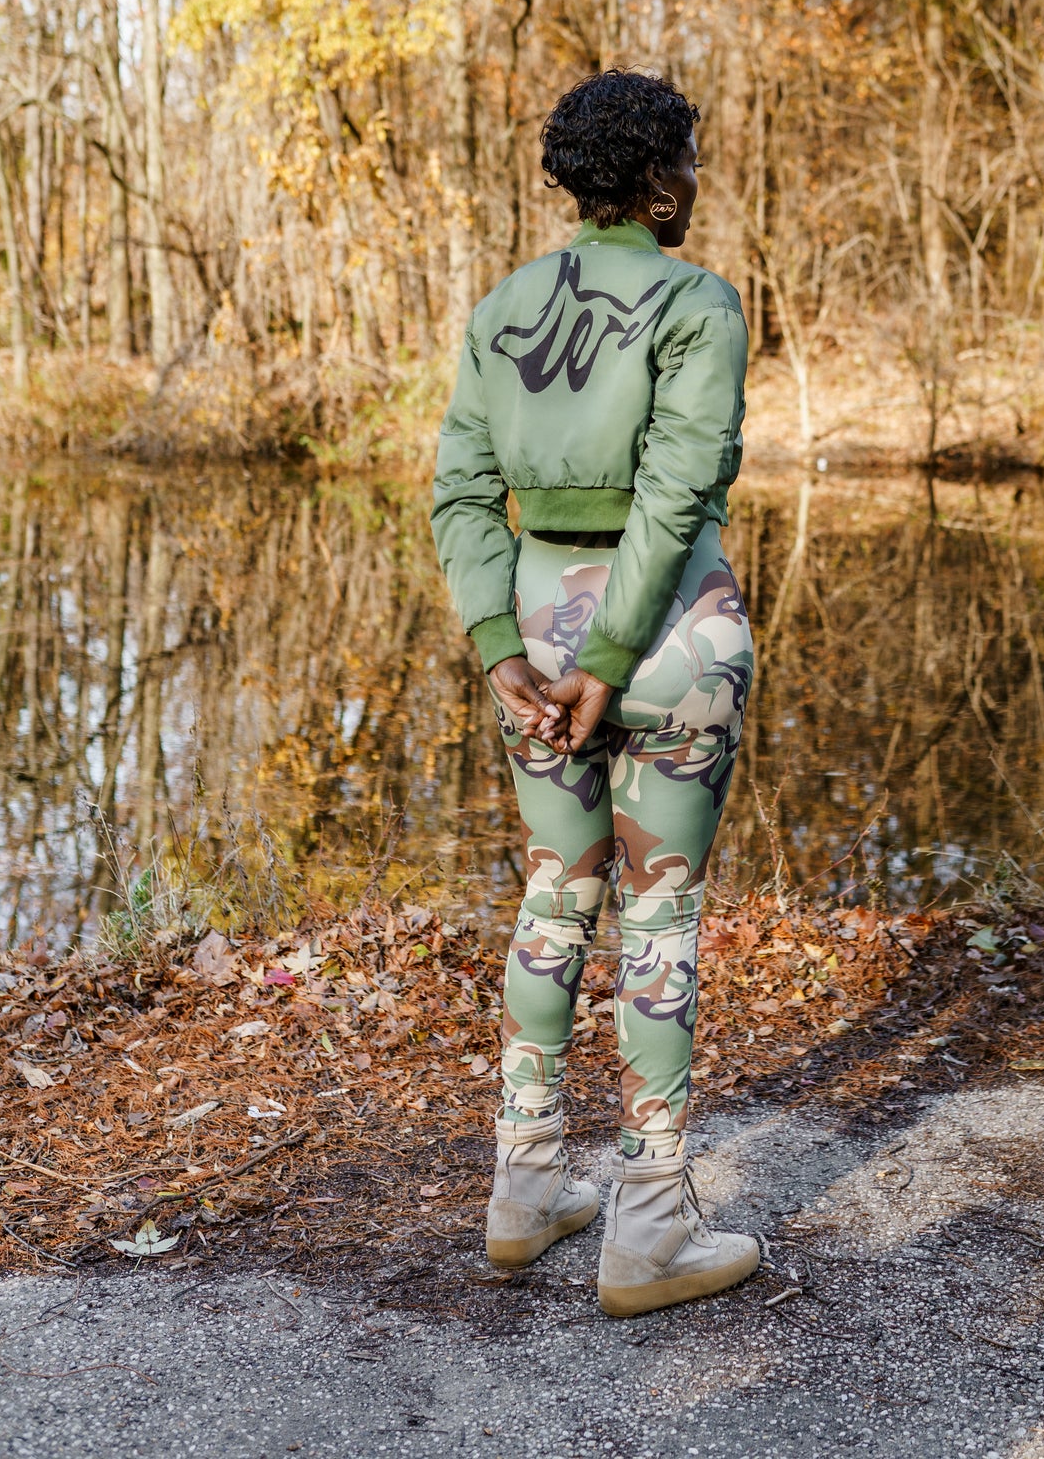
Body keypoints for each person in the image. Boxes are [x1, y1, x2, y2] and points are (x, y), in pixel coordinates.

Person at [431, 68, 759, 1318]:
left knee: (554, 892)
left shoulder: (502, 303)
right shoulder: (696, 301)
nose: (696, 179)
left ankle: (521, 1192)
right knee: (658, 918)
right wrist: (613, 659)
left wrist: (497, 643)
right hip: (666, 634)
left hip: (533, 620)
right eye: (691, 155)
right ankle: (650, 1230)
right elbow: (677, 497)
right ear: (663, 180)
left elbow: (460, 493)